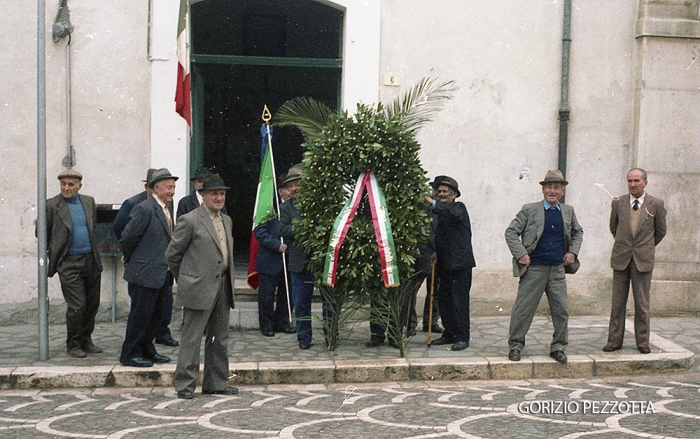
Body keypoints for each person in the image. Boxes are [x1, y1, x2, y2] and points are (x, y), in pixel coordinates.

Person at [166, 174, 238, 399]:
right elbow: (172, 255)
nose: (219, 198)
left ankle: (216, 382)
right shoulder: (190, 220)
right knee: (192, 338)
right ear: (203, 195)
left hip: (223, 285)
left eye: (222, 193)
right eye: (214, 193)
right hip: (198, 287)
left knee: (219, 338)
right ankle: (185, 385)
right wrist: (187, 279)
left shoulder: (226, 220)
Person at [505, 170, 583, 363]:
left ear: (562, 191)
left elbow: (577, 232)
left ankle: (558, 347)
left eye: (557, 187)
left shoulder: (568, 211)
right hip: (534, 270)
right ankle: (515, 346)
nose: (552, 190)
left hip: (557, 269)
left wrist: (572, 252)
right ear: (543, 190)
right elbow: (511, 232)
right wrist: (521, 254)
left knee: (561, 310)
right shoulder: (529, 210)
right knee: (523, 309)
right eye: (549, 186)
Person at [118, 168, 178, 367]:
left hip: (162, 272)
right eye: (169, 187)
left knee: (157, 315)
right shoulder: (144, 208)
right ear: (156, 189)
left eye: (173, 187)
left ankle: (148, 349)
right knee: (140, 315)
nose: (172, 191)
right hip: (144, 273)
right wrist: (131, 259)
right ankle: (130, 353)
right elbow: (127, 238)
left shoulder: (167, 208)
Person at [603, 168, 666, 354]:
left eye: (637, 181)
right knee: (617, 303)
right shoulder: (618, 203)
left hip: (643, 261)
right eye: (630, 181)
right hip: (621, 258)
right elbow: (613, 227)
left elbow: (660, 231)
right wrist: (626, 244)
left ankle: (642, 342)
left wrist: (644, 247)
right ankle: (614, 341)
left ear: (645, 182)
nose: (633, 184)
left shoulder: (656, 204)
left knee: (642, 304)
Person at [45, 169, 104, 358]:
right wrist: (54, 251)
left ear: (79, 186)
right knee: (77, 305)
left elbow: (92, 226)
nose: (66, 188)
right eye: (63, 184)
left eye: (71, 184)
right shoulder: (52, 205)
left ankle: (86, 339)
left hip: (90, 259)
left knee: (92, 303)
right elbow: (42, 232)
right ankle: (73, 343)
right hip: (68, 262)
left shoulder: (88, 201)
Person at [425, 176, 476, 351]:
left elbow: (450, 214)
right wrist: (434, 251)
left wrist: (432, 203)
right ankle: (449, 333)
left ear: (454, 195)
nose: (441, 194)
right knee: (444, 301)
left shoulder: (458, 208)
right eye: (438, 192)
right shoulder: (440, 212)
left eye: (445, 192)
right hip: (444, 264)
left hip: (460, 265)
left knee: (459, 301)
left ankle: (462, 337)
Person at [279, 164, 316, 349]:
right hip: (298, 263)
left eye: (297, 184)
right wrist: (304, 227)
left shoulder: (319, 204)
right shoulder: (285, 208)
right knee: (301, 303)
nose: (294, 188)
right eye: (291, 185)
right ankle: (304, 338)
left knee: (329, 302)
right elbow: (282, 229)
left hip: (320, 261)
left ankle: (331, 336)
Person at [253, 207, 294, 337]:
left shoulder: (295, 208)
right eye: (288, 187)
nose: (292, 190)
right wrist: (276, 245)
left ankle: (282, 323)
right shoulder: (268, 208)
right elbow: (260, 231)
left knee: (286, 294)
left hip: (289, 260)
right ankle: (266, 325)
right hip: (269, 259)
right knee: (266, 296)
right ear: (280, 191)